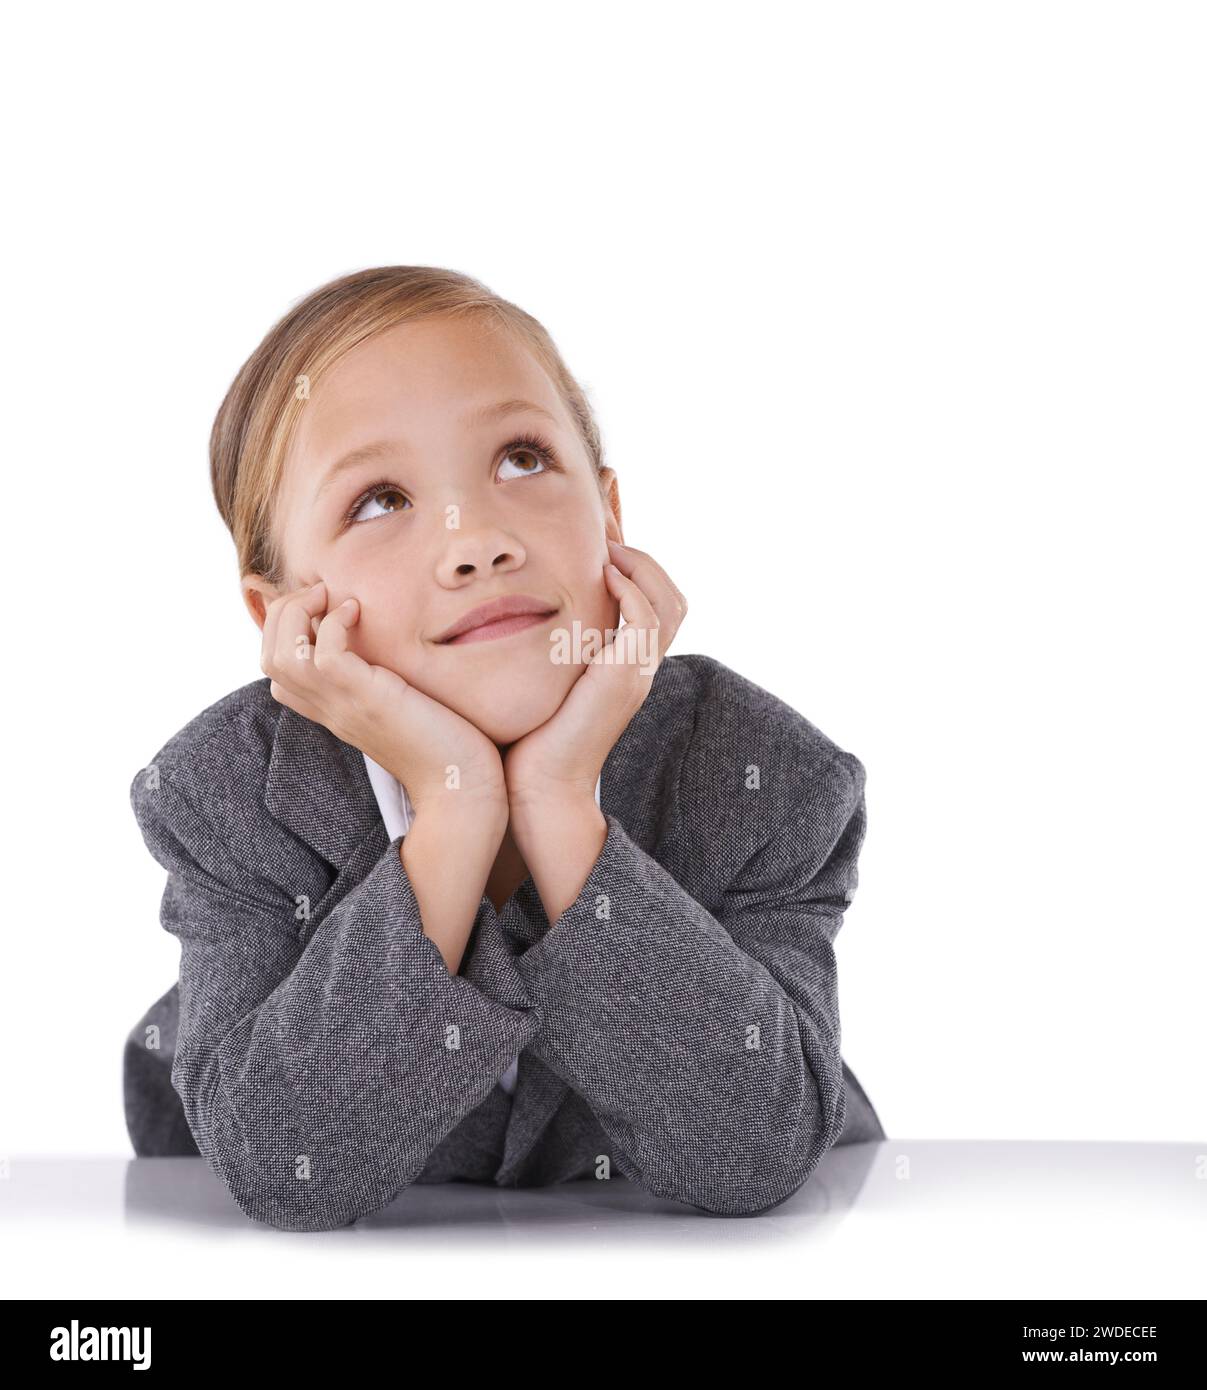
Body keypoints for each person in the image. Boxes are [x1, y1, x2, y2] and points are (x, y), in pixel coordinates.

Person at [122, 265, 885, 1232]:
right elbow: (291, 1169)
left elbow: (750, 1155)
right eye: (378, 499)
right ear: (282, 614)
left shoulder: (766, 774)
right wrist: (457, 808)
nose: (474, 541)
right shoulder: (220, 796)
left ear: (609, 516)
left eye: (522, 459)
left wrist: (558, 805)